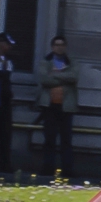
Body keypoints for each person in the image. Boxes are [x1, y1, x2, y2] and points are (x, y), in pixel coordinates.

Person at [37, 35, 78, 179]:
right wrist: (63, 78)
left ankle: (68, 170)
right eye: (56, 45)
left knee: (66, 140)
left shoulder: (71, 62)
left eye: (62, 45)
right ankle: (47, 168)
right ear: (52, 47)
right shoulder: (46, 61)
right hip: (49, 107)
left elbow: (74, 77)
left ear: (65, 47)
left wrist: (55, 75)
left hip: (66, 107)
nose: (59, 47)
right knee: (49, 139)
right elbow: (44, 79)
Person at [0, 33, 16, 175]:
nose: (9, 47)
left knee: (5, 134)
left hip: (4, 101)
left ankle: (4, 164)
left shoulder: (8, 61)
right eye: (7, 44)